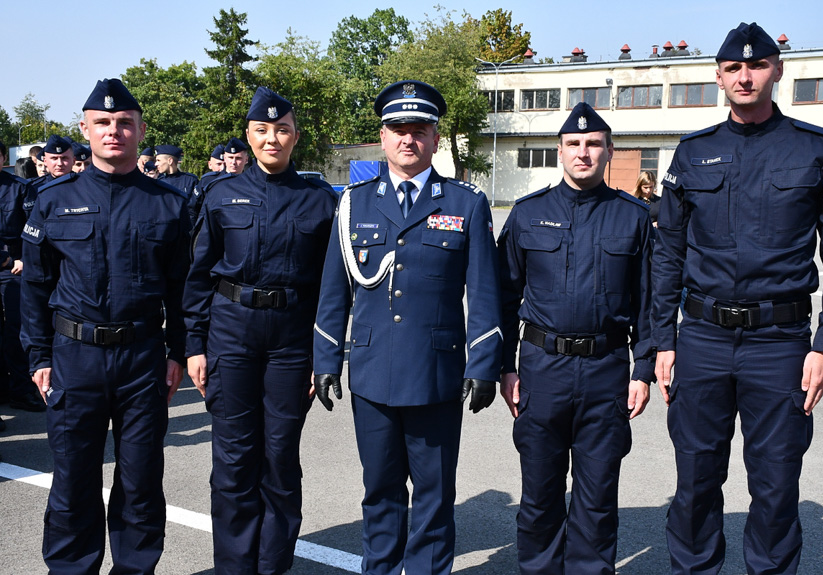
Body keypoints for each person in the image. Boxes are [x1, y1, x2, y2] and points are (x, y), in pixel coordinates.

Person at [652, 22, 823, 575]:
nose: (745, 76)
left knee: (775, 483)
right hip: (701, 339)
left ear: (777, 70)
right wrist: (662, 341)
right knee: (695, 480)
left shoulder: (818, 149)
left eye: (757, 65)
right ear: (718, 77)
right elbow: (666, 253)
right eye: (732, 68)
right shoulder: (693, 152)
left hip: (781, 341)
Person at [313, 80, 503, 575]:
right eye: (398, 129)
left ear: (436, 139)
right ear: (382, 136)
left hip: (436, 375)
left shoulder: (466, 204)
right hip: (373, 372)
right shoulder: (353, 203)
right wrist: (326, 359)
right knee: (379, 490)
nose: (408, 139)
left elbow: (483, 292)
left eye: (419, 130)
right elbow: (335, 292)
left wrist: (484, 362)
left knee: (435, 497)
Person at [20, 78, 191, 575]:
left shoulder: (169, 203)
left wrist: (177, 352)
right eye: (102, 123)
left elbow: (182, 290)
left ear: (140, 130)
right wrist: (39, 357)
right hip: (74, 358)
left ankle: (136, 569)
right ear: (84, 130)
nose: (113, 131)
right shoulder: (52, 199)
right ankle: (72, 569)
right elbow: (34, 287)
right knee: (73, 479)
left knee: (140, 481)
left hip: (141, 359)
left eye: (123, 123)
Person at [183, 86, 336, 575]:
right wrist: (193, 344)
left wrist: (321, 356)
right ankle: (234, 568)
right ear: (249, 137)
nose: (273, 139)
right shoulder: (220, 194)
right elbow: (199, 274)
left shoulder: (320, 200)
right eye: (263, 130)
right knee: (232, 460)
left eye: (283, 130)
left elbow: (331, 289)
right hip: (231, 333)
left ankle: (273, 566)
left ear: (295, 137)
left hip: (292, 340)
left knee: (280, 459)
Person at [498, 103, 653, 574]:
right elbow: (503, 298)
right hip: (542, 369)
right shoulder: (528, 215)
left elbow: (650, 302)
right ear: (559, 151)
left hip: (607, 370)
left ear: (608, 152)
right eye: (573, 144)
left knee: (598, 497)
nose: (582, 153)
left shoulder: (634, 218)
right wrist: (505, 367)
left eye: (592, 144)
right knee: (540, 496)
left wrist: (643, 370)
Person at [0, 141, 42, 413]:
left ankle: (20, 388)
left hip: (11, 267)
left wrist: (26, 259)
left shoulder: (19, 187)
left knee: (16, 330)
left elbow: (34, 229)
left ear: (3, 157)